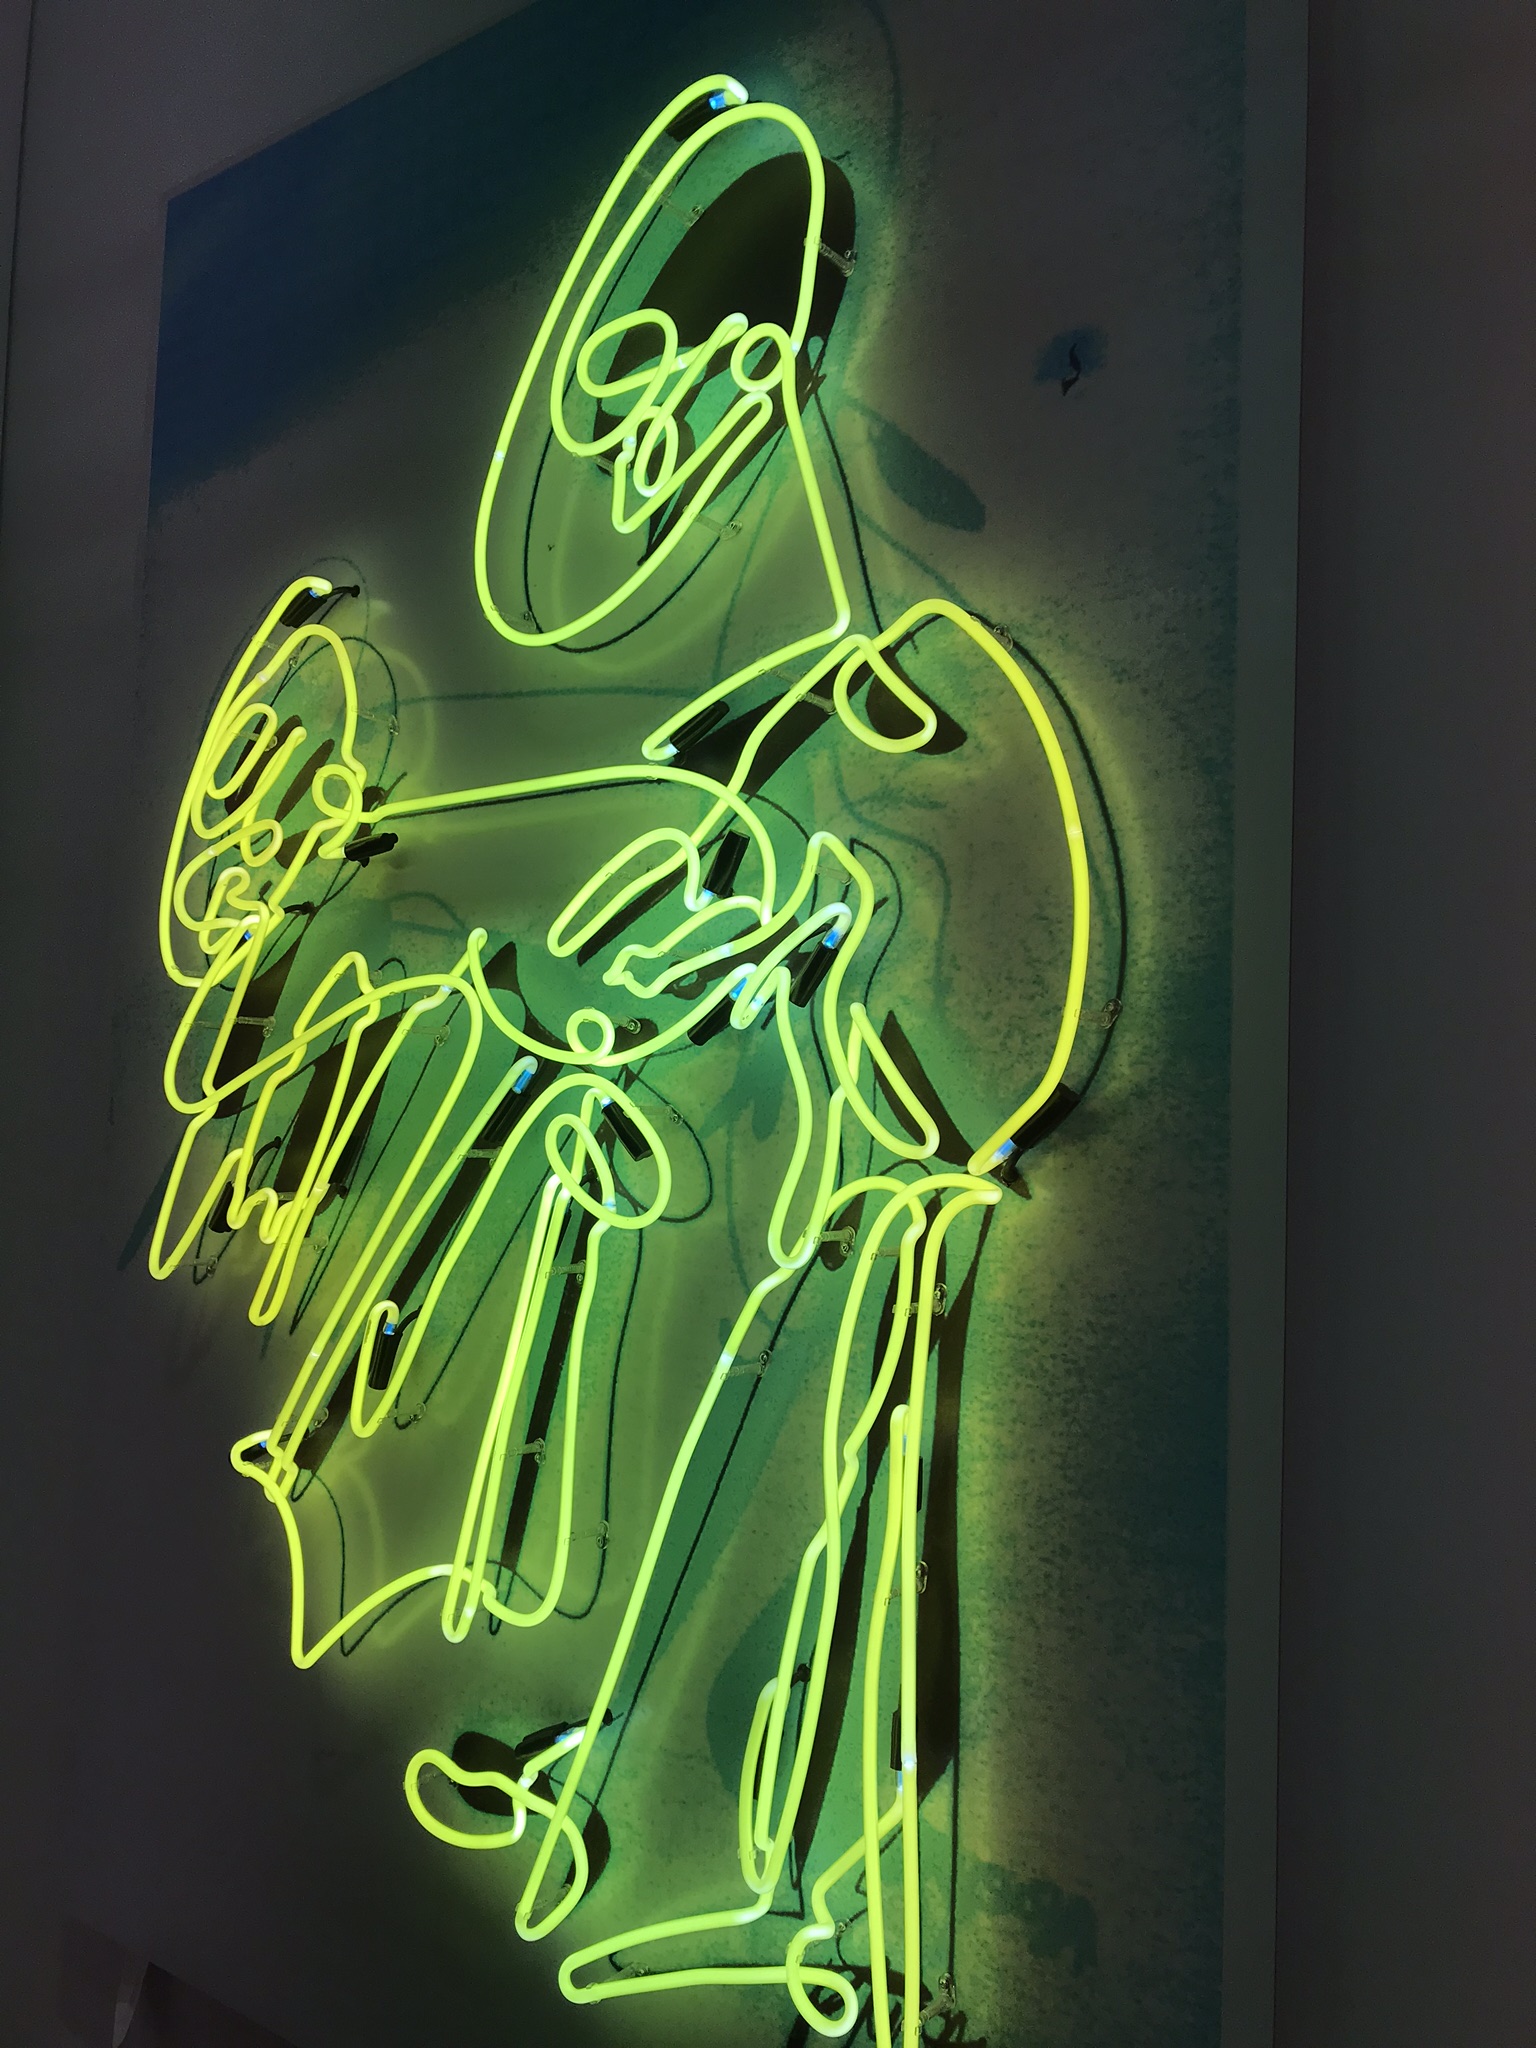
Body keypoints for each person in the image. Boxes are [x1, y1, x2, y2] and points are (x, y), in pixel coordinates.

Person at [154, 74, 1092, 2047]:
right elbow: (674, 912)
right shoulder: (784, 720)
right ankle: (682, 1817)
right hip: (851, 1141)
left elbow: (797, 905)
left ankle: (809, 1877)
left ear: (753, 376)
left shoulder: (906, 692)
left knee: (865, 1465)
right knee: (787, 1422)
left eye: (659, 398)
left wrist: (698, 955)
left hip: (911, 1144)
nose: (634, 462)